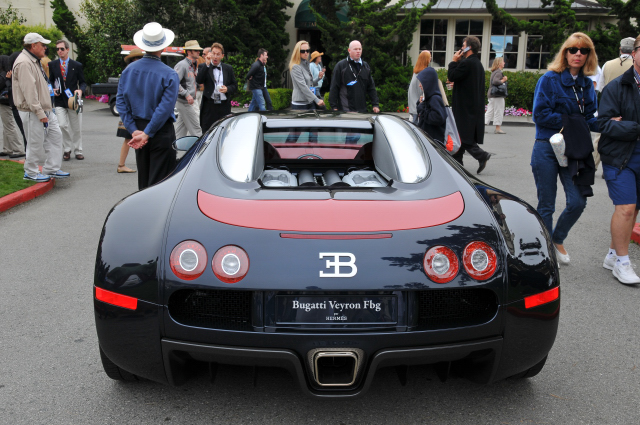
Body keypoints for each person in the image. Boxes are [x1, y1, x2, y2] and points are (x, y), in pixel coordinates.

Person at [531, 32, 599, 265]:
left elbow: (590, 118)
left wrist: (613, 122)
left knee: (578, 201)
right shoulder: (550, 79)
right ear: (565, 53)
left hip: (575, 150)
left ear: (589, 55)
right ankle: (546, 250)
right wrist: (571, 121)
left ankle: (557, 239)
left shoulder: (587, 84)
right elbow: (539, 115)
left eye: (584, 50)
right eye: (573, 49)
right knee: (546, 204)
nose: (578, 54)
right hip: (547, 147)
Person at [597, 34, 640, 284]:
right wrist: (635, 128)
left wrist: (626, 124)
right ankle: (623, 264)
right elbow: (604, 123)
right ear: (633, 54)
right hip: (619, 156)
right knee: (624, 208)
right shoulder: (617, 87)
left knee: (633, 208)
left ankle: (613, 254)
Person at [116, 22, 179, 190]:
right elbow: (164, 109)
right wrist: (148, 133)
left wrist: (133, 129)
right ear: (163, 46)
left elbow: (121, 102)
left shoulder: (129, 70)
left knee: (144, 181)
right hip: (160, 130)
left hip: (138, 127)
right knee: (161, 184)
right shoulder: (169, 74)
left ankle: (142, 214)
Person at [13, 33, 69, 182]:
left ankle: (51, 168)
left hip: (45, 108)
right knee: (35, 141)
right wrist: (39, 112)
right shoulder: (24, 63)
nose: (45, 47)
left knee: (55, 137)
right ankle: (31, 171)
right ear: (33, 46)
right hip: (32, 110)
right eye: (42, 44)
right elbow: (29, 91)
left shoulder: (34, 61)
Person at [448, 36, 491, 173]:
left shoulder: (467, 63)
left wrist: (454, 62)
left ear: (469, 47)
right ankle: (457, 162)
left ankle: (481, 155)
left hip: (464, 106)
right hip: (472, 104)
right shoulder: (476, 63)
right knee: (460, 134)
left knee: (461, 135)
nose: (461, 47)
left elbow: (452, 76)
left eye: (463, 45)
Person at [592, 37, 635, 173]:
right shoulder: (635, 65)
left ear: (620, 49)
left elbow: (601, 87)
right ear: (634, 51)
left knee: (601, 137)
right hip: (630, 108)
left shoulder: (608, 64)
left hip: (610, 105)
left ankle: (593, 165)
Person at [48, 39, 87, 161]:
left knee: (76, 127)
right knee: (61, 125)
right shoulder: (52, 65)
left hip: (73, 100)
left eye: (62, 49)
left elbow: (83, 82)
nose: (59, 51)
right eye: (57, 49)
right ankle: (67, 149)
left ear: (67, 50)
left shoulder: (77, 65)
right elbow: (50, 81)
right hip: (59, 100)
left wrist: (80, 90)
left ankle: (78, 150)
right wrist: (52, 90)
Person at [329, 40, 380, 113]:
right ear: (349, 50)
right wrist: (334, 107)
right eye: (355, 49)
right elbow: (334, 87)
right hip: (346, 109)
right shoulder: (341, 66)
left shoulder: (365, 66)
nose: (358, 51)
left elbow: (371, 87)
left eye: (360, 49)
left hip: (362, 110)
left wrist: (375, 104)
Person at [115, 48, 144, 174]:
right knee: (129, 139)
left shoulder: (127, 72)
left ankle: (121, 164)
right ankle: (121, 165)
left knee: (128, 139)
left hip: (128, 111)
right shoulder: (131, 73)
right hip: (130, 112)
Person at [197, 42, 237, 132]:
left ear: (222, 56)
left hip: (224, 106)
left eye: (218, 54)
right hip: (209, 105)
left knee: (224, 131)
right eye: (213, 54)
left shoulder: (228, 68)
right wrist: (207, 65)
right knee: (207, 132)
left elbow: (235, 86)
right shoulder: (203, 66)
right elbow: (199, 80)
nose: (215, 57)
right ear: (210, 54)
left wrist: (227, 89)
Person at [174, 40, 203, 139]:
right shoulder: (182, 65)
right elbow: (174, 83)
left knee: (180, 131)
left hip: (185, 101)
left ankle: (174, 151)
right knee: (196, 130)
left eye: (199, 50)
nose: (199, 52)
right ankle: (199, 152)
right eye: (196, 50)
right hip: (184, 102)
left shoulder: (192, 64)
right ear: (189, 52)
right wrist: (186, 94)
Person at [289, 40, 325, 110]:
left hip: (309, 102)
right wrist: (316, 100)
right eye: (303, 51)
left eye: (307, 51)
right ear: (297, 52)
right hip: (300, 104)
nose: (306, 53)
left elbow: (310, 83)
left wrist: (318, 78)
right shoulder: (295, 66)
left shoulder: (306, 64)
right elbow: (303, 86)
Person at [0, 55, 24, 158]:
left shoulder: (3, 74)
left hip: (4, 103)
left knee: (9, 125)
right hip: (8, 102)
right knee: (7, 125)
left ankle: (18, 149)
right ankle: (7, 148)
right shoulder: (9, 73)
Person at [415, 67, 447, 144]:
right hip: (430, 140)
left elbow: (437, 118)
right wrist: (420, 104)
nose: (419, 85)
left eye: (421, 82)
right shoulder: (430, 97)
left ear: (428, 82)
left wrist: (422, 107)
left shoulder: (435, 98)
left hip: (434, 142)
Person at [408, 50, 432, 123]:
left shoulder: (416, 72)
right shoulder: (423, 73)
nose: (431, 58)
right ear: (426, 59)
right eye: (429, 56)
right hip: (418, 108)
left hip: (413, 106)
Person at [485, 56, 508, 134]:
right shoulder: (498, 72)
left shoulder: (494, 72)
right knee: (499, 110)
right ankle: (498, 128)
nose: (504, 63)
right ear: (499, 63)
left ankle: (481, 126)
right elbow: (495, 81)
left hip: (492, 94)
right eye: (503, 62)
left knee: (490, 111)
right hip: (497, 95)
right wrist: (503, 80)